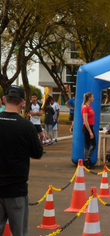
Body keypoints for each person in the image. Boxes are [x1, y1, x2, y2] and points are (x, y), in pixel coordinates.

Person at [0, 85, 43, 236]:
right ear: (23, 103)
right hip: (16, 191)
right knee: (19, 233)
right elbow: (38, 153)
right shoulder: (27, 127)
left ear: (4, 100)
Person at [82, 92, 96, 169]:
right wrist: (90, 132)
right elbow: (86, 121)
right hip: (87, 128)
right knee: (87, 145)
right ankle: (86, 161)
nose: (93, 98)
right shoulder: (85, 107)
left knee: (94, 145)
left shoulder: (90, 107)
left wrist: (92, 129)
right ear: (89, 98)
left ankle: (88, 158)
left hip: (91, 126)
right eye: (92, 97)